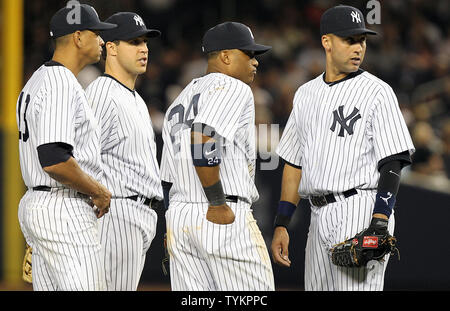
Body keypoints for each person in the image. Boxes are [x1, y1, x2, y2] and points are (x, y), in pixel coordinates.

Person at [271, 5, 415, 291]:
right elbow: (294, 164)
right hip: (317, 214)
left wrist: (380, 221)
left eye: (362, 40)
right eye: (349, 40)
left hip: (360, 208)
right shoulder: (305, 94)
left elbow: (393, 161)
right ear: (327, 42)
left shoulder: (377, 91)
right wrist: (282, 223)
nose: (358, 47)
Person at [160, 22, 275, 291]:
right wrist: (216, 202)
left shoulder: (180, 99)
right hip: (220, 212)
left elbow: (166, 177)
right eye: (249, 54)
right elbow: (203, 136)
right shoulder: (232, 86)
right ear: (225, 56)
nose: (255, 62)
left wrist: (170, 222)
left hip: (180, 217)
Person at [17, 4, 115, 290]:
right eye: (96, 33)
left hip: (42, 203)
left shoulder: (37, 80)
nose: (101, 41)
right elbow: (54, 159)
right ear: (78, 37)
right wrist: (98, 191)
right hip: (62, 208)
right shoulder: (60, 82)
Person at [85, 12, 163, 291]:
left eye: (145, 41)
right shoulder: (102, 93)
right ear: (112, 48)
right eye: (134, 41)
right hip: (116, 213)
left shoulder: (135, 98)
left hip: (138, 215)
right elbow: (80, 159)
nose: (144, 48)